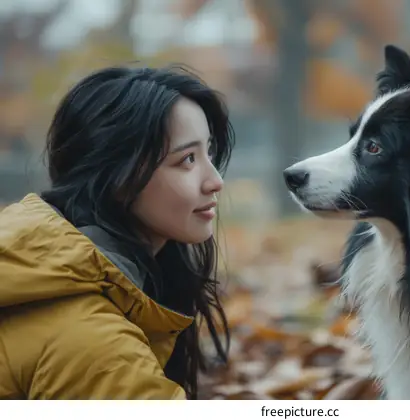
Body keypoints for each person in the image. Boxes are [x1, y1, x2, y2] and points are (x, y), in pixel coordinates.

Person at [0, 65, 235, 399]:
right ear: (117, 178)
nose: (215, 181)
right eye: (187, 160)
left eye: (208, 153)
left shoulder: (39, 272)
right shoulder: (97, 346)